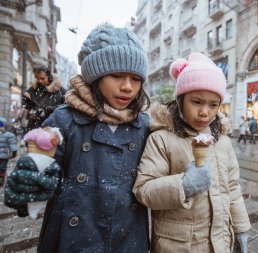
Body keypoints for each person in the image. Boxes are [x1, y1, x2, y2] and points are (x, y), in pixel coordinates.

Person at [4, 24, 151, 252]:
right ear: (96, 76)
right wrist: (29, 185)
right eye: (116, 75)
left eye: (136, 78)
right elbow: (40, 175)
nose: (127, 87)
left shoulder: (144, 126)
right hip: (72, 241)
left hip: (127, 241)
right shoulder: (64, 121)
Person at [133, 52, 251, 253]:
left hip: (219, 243)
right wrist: (184, 184)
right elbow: (144, 190)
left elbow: (232, 187)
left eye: (213, 105)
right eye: (196, 102)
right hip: (177, 245)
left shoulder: (222, 142)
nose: (205, 111)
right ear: (180, 99)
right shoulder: (161, 139)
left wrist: (241, 228)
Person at [22, 65, 66, 132]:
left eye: (42, 78)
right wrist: (27, 99)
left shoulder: (61, 91)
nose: (39, 81)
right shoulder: (33, 89)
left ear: (49, 77)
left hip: (51, 129)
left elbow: (65, 107)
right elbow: (27, 108)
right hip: (33, 128)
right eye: (37, 78)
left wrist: (49, 109)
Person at [0, 119, 18, 185]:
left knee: (2, 167)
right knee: (3, 168)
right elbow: (13, 145)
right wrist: (14, 153)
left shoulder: (9, 135)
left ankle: (1, 178)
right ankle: (1, 178)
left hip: (4, 156)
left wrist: (14, 152)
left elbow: (12, 145)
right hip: (5, 156)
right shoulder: (9, 135)